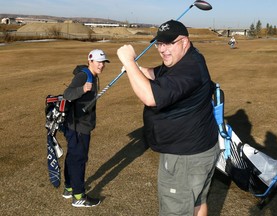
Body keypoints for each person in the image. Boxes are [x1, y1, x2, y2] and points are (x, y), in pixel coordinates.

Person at [117, 20, 220, 216]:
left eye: (169, 43)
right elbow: (156, 74)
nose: (162, 49)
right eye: (159, 44)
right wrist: (135, 69)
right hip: (197, 150)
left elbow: (150, 97)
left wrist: (129, 62)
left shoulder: (189, 68)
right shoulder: (184, 59)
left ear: (184, 41)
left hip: (185, 157)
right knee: (197, 202)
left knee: (177, 210)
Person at [62, 49, 110, 207]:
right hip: (78, 126)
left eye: (103, 62)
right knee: (79, 160)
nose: (102, 65)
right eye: (99, 62)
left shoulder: (92, 76)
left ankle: (69, 188)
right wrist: (82, 89)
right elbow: (67, 94)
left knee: (73, 157)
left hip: (77, 124)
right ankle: (78, 196)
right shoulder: (84, 76)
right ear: (90, 61)